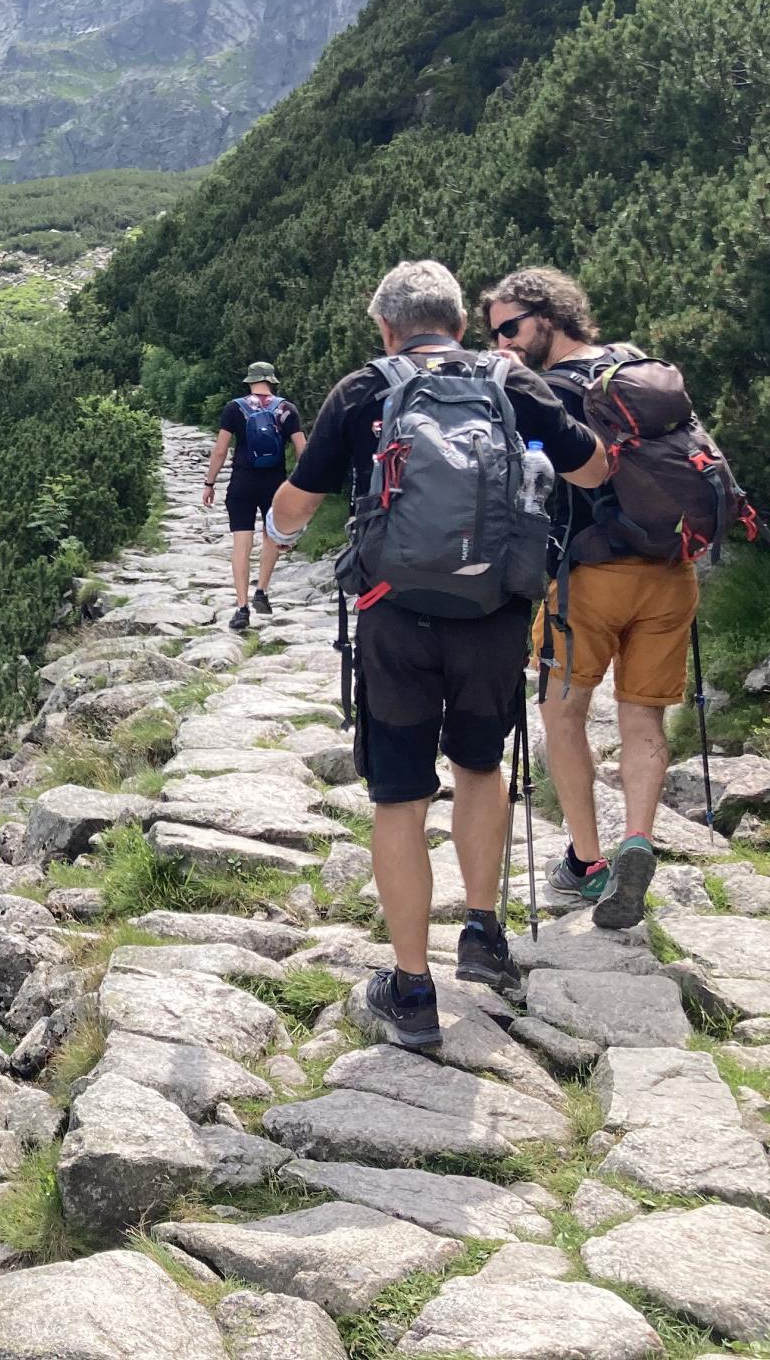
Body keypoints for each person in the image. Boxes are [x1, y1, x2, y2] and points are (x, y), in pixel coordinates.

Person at [264, 260, 607, 1049]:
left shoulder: (362, 390)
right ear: (459, 322)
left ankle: (412, 988)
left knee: (400, 795)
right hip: (493, 616)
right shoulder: (513, 383)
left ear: (387, 326)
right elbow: (592, 467)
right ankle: (483, 935)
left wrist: (268, 557)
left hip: (395, 622)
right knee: (481, 770)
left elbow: (297, 499)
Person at [481, 267, 692, 932]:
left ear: (550, 317)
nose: (504, 342)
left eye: (511, 327)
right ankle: (636, 838)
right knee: (643, 723)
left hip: (587, 580)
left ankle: (588, 863)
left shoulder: (549, 390)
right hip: (670, 573)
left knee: (561, 713)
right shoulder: (637, 370)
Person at [201, 363, 307, 632]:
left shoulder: (234, 408)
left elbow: (220, 450)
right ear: (272, 382)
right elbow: (303, 450)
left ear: (250, 382)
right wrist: (301, 485)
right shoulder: (286, 409)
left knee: (241, 544)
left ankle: (241, 607)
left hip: (242, 484)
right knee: (271, 536)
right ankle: (261, 590)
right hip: (275, 485)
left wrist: (209, 483)